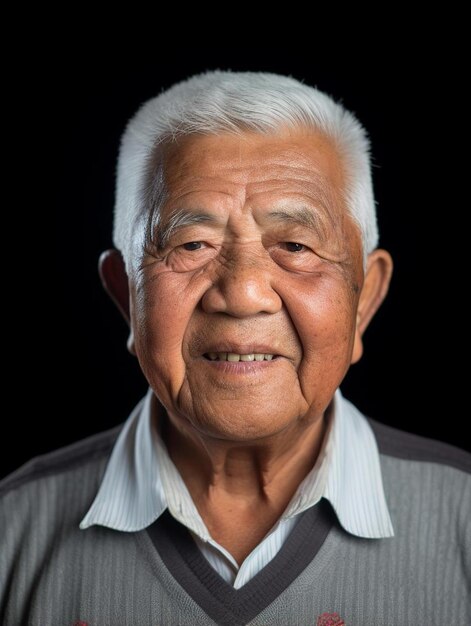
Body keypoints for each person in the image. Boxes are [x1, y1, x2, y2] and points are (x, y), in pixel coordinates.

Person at [1, 71, 469, 626]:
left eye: (295, 245)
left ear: (364, 297)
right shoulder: (13, 530)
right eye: (192, 244)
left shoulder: (463, 520)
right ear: (127, 296)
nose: (242, 294)